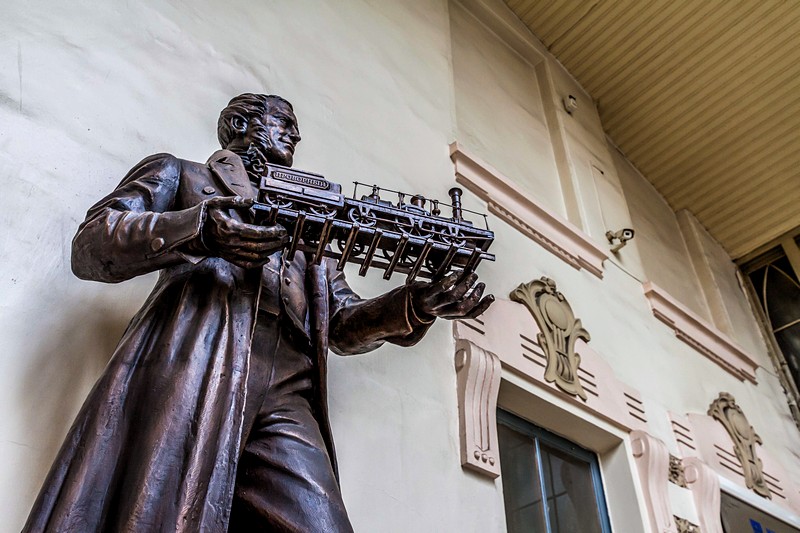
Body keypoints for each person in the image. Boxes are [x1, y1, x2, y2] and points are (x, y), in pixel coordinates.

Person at [24, 93, 493, 532]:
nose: (296, 134)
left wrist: (414, 305)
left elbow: (344, 325)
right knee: (171, 512)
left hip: (289, 388)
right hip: (202, 365)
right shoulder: (184, 176)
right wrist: (200, 228)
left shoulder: (315, 224)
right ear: (242, 124)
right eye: (284, 122)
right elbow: (93, 244)